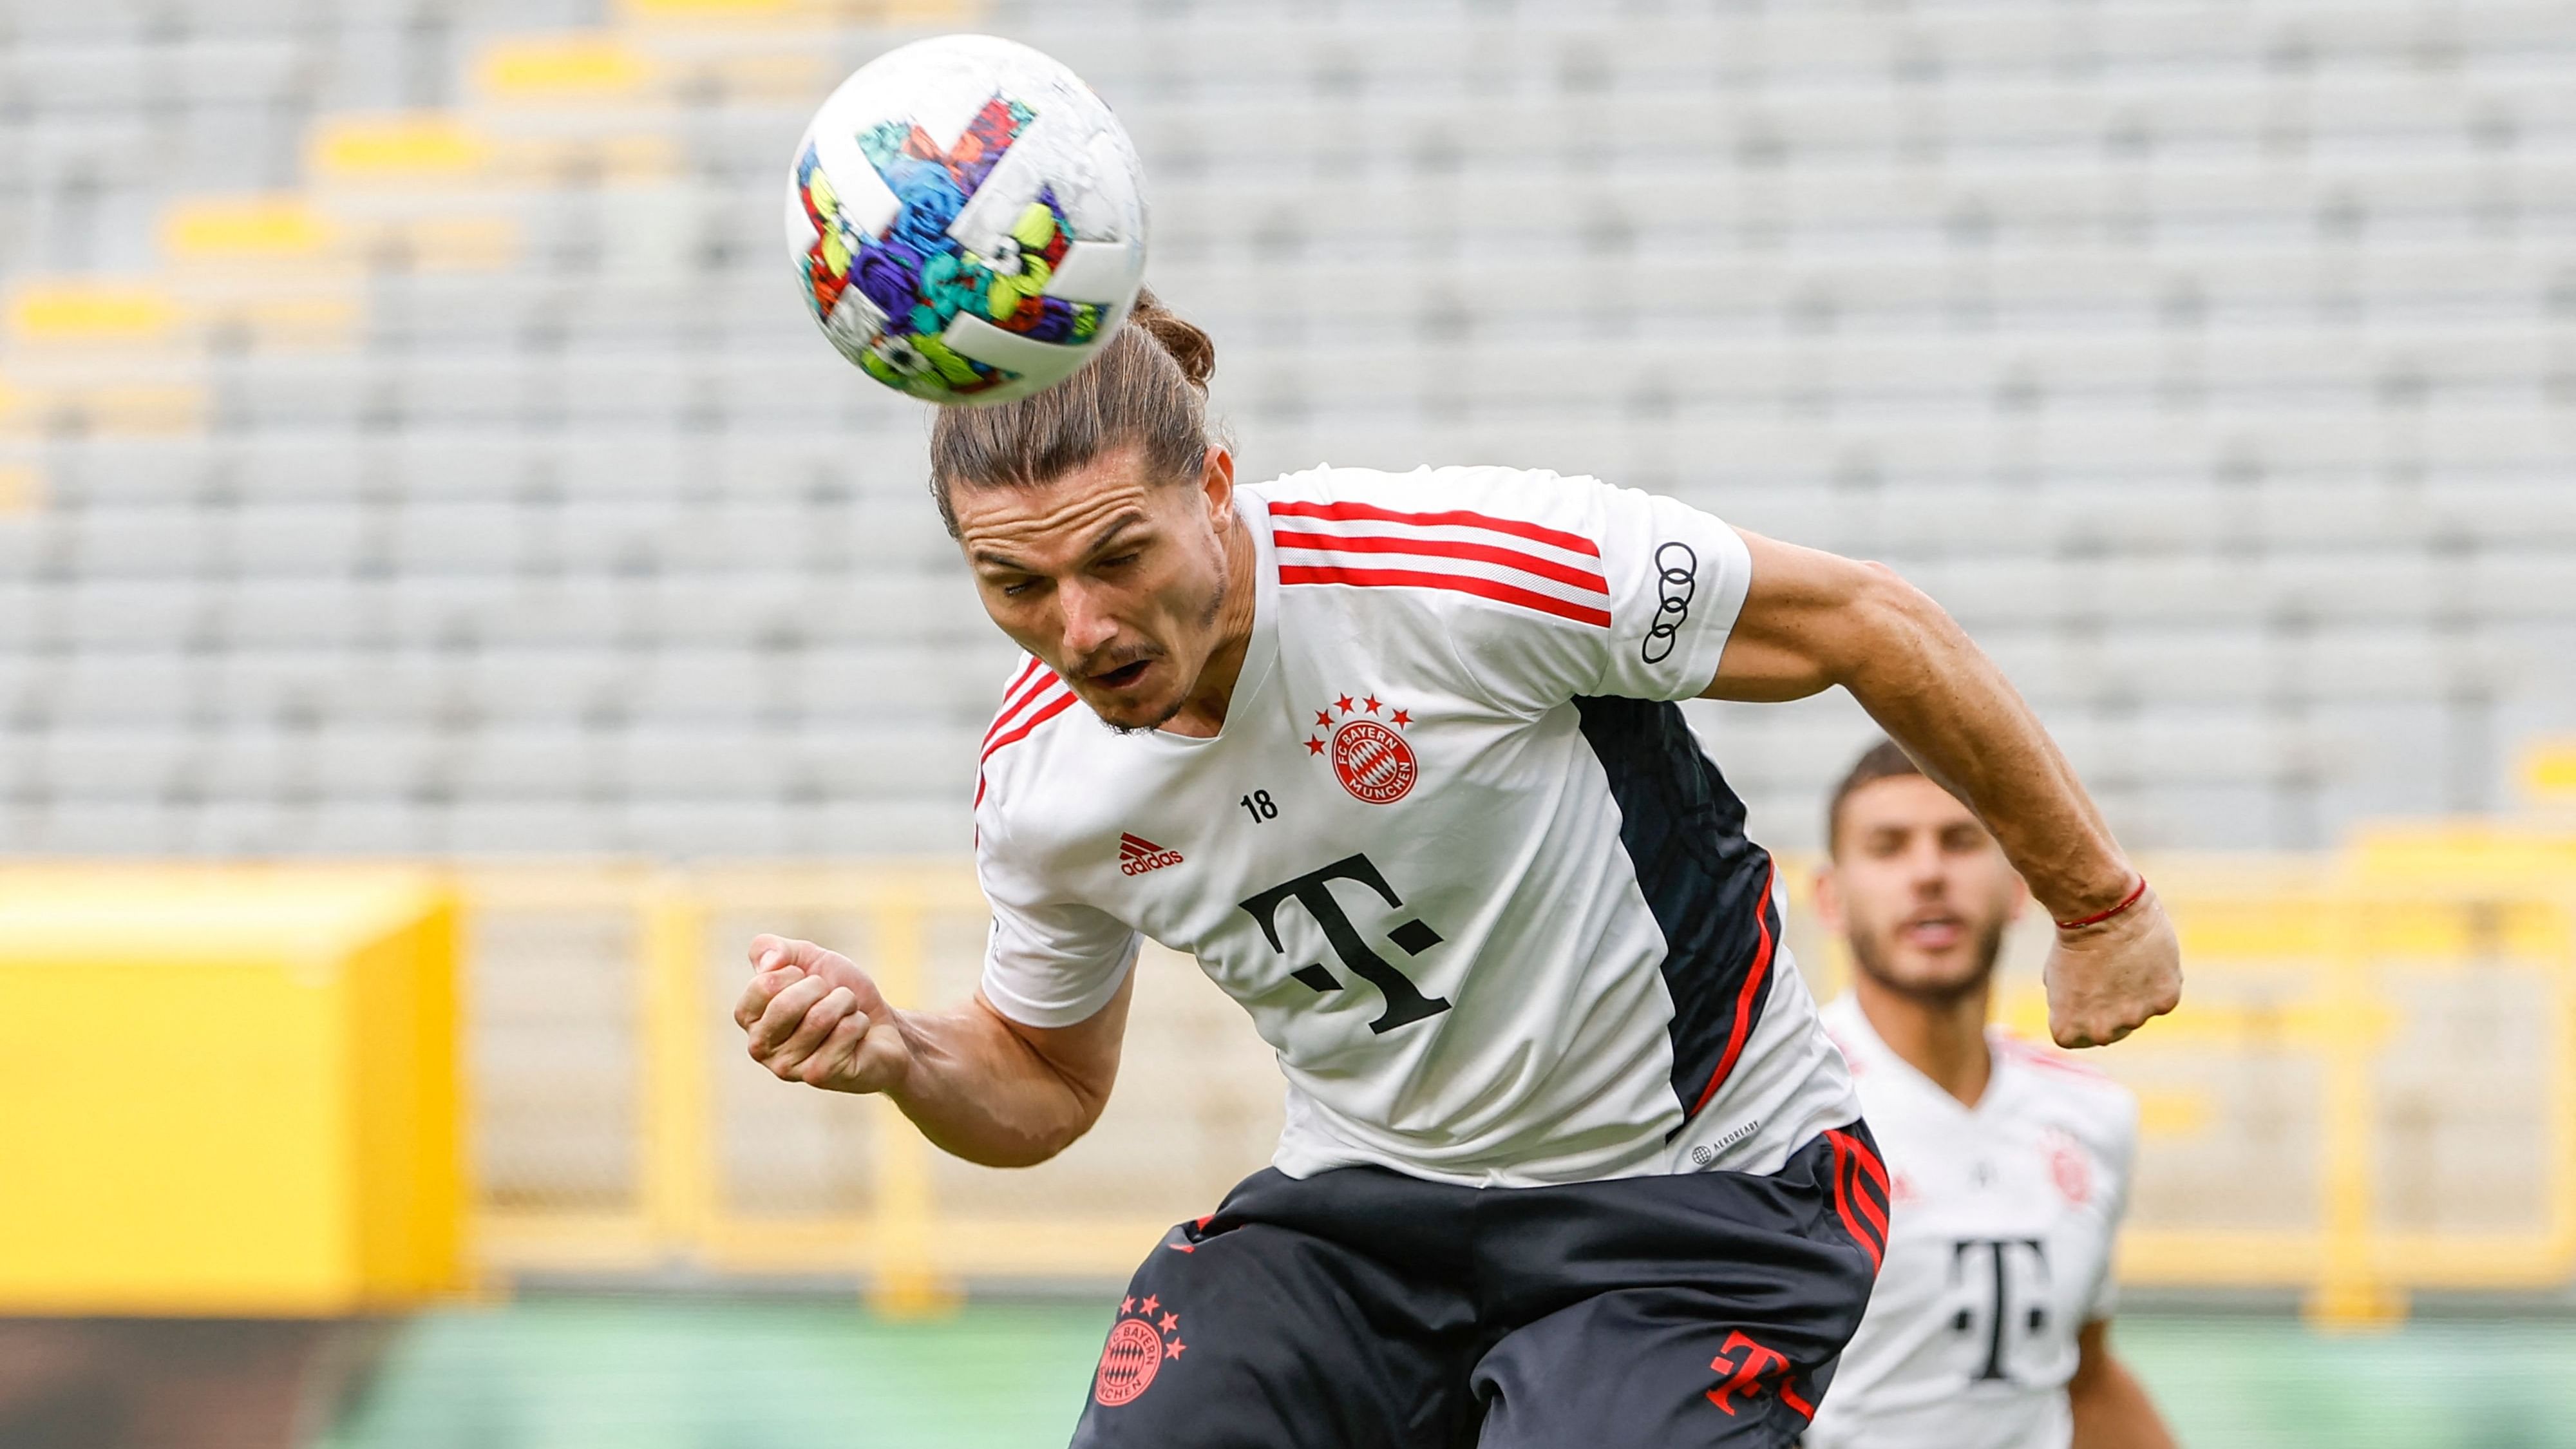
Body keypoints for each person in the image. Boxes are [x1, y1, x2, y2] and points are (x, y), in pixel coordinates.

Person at [730, 292, 2181, 1449]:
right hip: (1369, 1215)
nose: (1080, 623)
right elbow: (1041, 1083)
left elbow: (1870, 622)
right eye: (1015, 585)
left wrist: (2093, 898)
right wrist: (904, 1053)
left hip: (1695, 1203)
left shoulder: (1458, 573)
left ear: (1217, 488)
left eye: (1118, 555)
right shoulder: (1039, 783)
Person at [1803, 741, 2179, 1449]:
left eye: (1959, 841)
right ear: (1830, 897)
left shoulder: (2091, 1113)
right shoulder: (1779, 1108)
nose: (1928, 873)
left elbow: (2083, 1378)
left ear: (2016, 885)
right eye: (1888, 847)